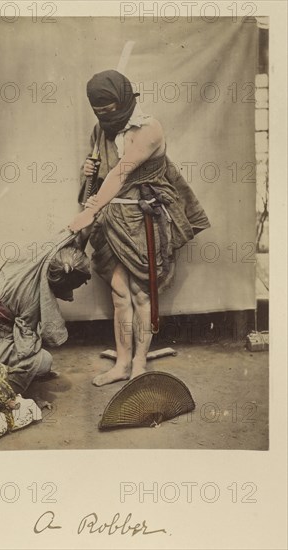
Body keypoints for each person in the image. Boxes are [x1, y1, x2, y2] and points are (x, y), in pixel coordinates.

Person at [69, 70, 210, 386]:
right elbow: (102, 175)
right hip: (111, 222)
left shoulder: (149, 129)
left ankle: (139, 364)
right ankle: (121, 363)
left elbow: (120, 173)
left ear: (125, 100)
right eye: (99, 113)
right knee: (120, 295)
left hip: (142, 220)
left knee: (141, 295)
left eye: (110, 111)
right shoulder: (100, 131)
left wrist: (89, 210)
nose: (106, 118)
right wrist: (88, 170)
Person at [0, 229, 91, 394]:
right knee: (44, 361)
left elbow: (69, 243)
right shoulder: (32, 301)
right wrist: (36, 341)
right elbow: (24, 350)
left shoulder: (34, 257)